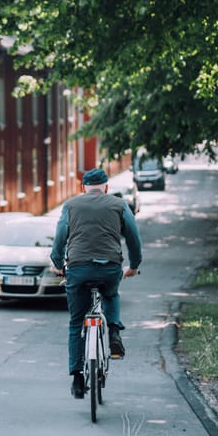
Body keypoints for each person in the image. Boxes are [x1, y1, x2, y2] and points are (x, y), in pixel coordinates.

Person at [50, 167, 142, 399]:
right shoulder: (119, 204)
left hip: (78, 269)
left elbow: (61, 236)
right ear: (106, 187)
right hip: (110, 266)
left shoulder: (70, 205)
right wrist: (133, 265)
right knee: (110, 294)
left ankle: (78, 379)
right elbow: (133, 237)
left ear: (83, 188)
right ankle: (113, 332)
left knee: (76, 322)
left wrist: (58, 263)